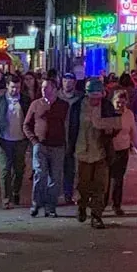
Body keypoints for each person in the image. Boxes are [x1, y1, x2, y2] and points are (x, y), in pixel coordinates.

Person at [74, 78, 119, 229]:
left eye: (98, 97)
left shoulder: (106, 106)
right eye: (93, 97)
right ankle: (82, 206)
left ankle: (96, 215)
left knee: (100, 186)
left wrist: (110, 130)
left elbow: (116, 125)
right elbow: (70, 128)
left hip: (101, 151)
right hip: (82, 151)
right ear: (87, 95)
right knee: (84, 185)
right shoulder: (77, 107)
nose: (95, 100)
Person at [23, 77, 69, 218]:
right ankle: (36, 203)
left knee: (55, 178)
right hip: (40, 146)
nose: (44, 91)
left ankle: (51, 206)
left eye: (47, 88)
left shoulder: (63, 105)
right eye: (42, 88)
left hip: (57, 146)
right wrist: (34, 141)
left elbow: (68, 125)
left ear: (54, 89)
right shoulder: (36, 104)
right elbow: (26, 125)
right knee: (39, 175)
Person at [0, 74, 31, 209]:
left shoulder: (25, 100)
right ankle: (6, 198)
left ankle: (16, 191)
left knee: (19, 169)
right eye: (12, 87)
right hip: (3, 139)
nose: (14, 90)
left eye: (17, 87)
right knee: (5, 170)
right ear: (7, 86)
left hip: (21, 140)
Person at [107, 88, 137, 216]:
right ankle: (101, 203)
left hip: (122, 150)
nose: (120, 105)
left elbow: (134, 134)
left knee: (118, 179)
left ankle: (116, 204)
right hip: (108, 150)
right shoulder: (108, 113)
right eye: (118, 102)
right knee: (106, 178)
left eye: (123, 103)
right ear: (113, 101)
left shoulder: (129, 115)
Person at [58, 73, 83, 206]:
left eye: (70, 81)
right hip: (58, 137)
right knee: (57, 168)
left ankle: (70, 193)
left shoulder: (80, 98)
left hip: (75, 137)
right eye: (65, 80)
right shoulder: (56, 97)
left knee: (72, 168)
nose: (67, 83)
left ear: (74, 83)